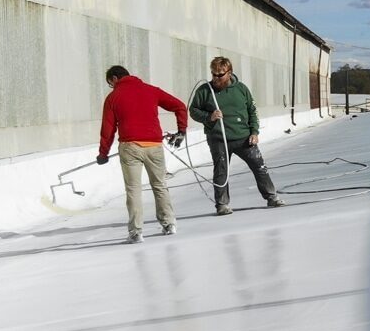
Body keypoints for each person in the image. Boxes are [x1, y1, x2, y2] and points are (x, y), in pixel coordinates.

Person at [97, 65, 188, 244]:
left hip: (130, 147)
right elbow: (179, 106)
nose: (111, 87)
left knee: (133, 190)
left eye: (110, 83)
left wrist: (103, 154)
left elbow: (108, 129)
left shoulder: (113, 97)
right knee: (160, 185)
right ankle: (169, 224)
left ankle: (136, 232)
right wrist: (181, 131)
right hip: (154, 146)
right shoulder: (151, 90)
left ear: (115, 78)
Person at [189, 56, 285, 215]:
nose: (216, 78)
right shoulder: (205, 91)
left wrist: (254, 131)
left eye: (220, 74)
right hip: (218, 139)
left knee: (259, 165)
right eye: (213, 74)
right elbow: (193, 111)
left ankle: (271, 196)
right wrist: (209, 116)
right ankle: (222, 204)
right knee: (221, 171)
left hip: (243, 137)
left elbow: (252, 111)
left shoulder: (241, 89)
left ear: (229, 72)